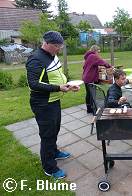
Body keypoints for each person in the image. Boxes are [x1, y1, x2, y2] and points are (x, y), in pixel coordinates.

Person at [26, 31, 80, 179]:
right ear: (47, 43)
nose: (59, 49)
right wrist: (58, 88)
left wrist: (68, 86)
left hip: (54, 101)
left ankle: (54, 152)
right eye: (57, 46)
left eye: (60, 46)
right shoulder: (36, 59)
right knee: (47, 135)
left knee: (54, 130)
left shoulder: (52, 56)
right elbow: (33, 84)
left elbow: (55, 77)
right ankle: (49, 167)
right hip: (42, 104)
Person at [82, 45, 112, 113]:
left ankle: (89, 109)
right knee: (92, 94)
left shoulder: (88, 56)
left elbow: (86, 67)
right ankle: (92, 109)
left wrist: (96, 68)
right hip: (90, 78)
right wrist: (109, 66)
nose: (99, 53)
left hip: (86, 77)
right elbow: (102, 62)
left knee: (88, 94)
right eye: (98, 52)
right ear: (95, 50)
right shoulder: (93, 56)